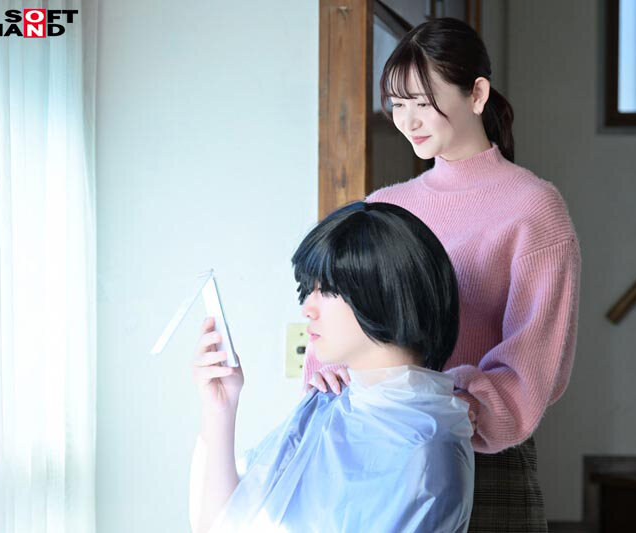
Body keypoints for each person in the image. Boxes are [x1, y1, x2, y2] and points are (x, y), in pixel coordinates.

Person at [304, 17, 582, 533]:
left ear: (477, 94)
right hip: (375, 447)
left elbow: (535, 355)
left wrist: (462, 405)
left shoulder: (534, 208)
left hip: (480, 454)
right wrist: (323, 366)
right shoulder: (384, 206)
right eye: (398, 103)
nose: (408, 120)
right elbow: (343, 312)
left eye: (422, 101)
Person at [188, 201, 476, 533]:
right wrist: (220, 407)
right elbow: (220, 523)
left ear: (383, 292)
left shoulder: (427, 451)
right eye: (307, 289)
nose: (307, 308)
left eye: (325, 289)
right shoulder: (326, 401)